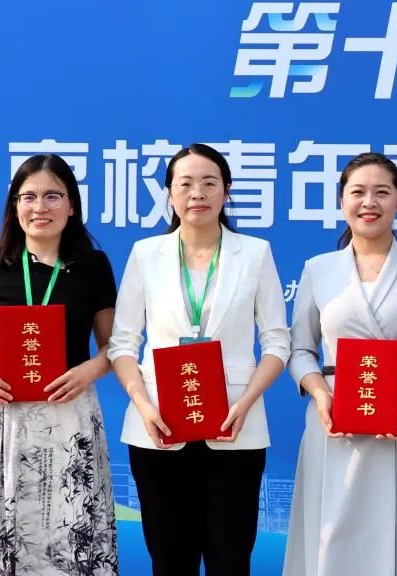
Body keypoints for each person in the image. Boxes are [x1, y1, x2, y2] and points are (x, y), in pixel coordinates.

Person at [108, 143, 290, 575]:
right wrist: (144, 405)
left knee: (231, 560)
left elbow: (277, 342)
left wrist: (245, 402)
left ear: (226, 191)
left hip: (234, 429)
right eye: (185, 183)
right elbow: (122, 343)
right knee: (170, 561)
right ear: (169, 193)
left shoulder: (255, 253)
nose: (197, 193)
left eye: (209, 183)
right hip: (159, 429)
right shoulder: (145, 254)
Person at [283, 152, 397, 576]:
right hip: (334, 423)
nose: (369, 202)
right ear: (341, 200)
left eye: (382, 192)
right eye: (358, 192)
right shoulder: (318, 269)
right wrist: (321, 394)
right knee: (333, 541)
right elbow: (300, 350)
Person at [0, 154, 118, 575]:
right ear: (15, 206)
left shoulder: (93, 266)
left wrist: (88, 371)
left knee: (70, 533)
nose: (40, 207)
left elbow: (113, 346)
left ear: (72, 205)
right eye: (28, 197)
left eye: (52, 196)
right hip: (2, 418)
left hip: (69, 418)